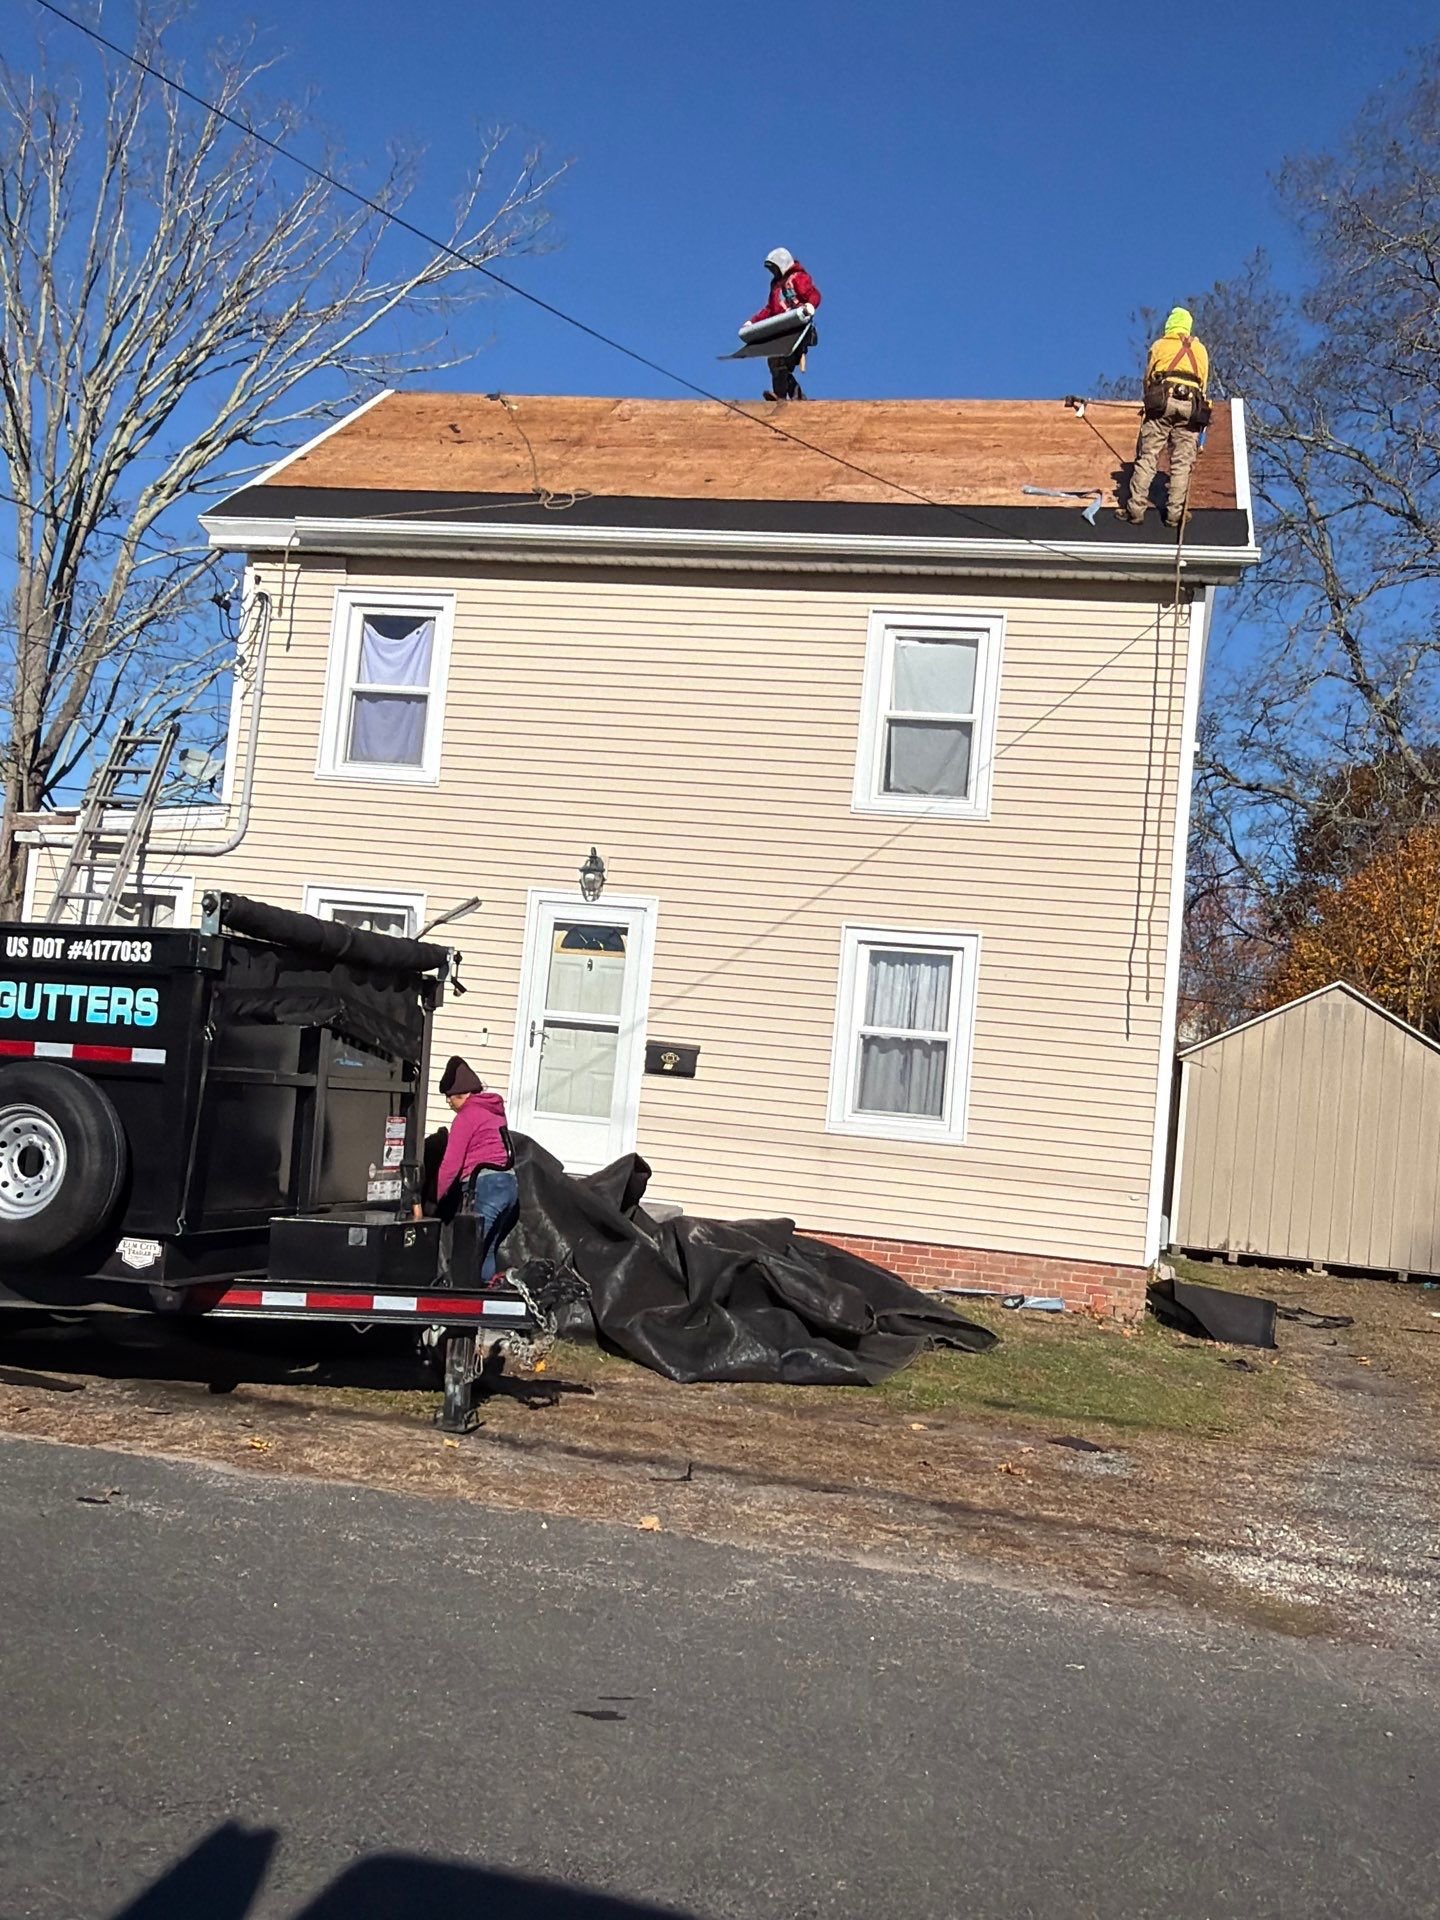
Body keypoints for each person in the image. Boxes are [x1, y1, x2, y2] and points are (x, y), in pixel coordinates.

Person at [428, 1055, 517, 1285]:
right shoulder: (493, 1111)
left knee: (467, 1252)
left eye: (449, 1098)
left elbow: (451, 1164)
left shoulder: (467, 1116)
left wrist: (435, 1199)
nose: (449, 1103)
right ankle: (485, 1296)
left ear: (461, 1094)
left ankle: (458, 1303)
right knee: (486, 1250)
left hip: (486, 1186)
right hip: (509, 1185)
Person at [1122, 306, 1213, 529]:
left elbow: (1148, 379)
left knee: (1148, 456)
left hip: (1163, 402)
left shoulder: (1160, 345)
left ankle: (1135, 509)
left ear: (1169, 325)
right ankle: (1175, 514)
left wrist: (1149, 402)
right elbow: (1203, 384)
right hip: (1191, 407)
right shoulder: (1200, 350)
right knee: (1182, 463)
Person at [750, 247, 822, 402]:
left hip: (797, 330)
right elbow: (770, 309)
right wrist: (753, 322)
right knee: (775, 362)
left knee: (781, 360)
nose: (773, 272)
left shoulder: (798, 278)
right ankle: (794, 397)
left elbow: (814, 294)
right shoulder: (776, 286)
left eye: (775, 268)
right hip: (782, 331)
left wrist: (809, 306)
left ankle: (783, 395)